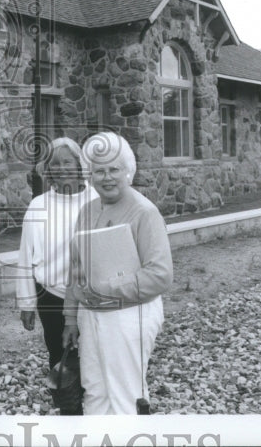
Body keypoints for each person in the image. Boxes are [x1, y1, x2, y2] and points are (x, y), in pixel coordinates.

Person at [62, 131, 173, 415]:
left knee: (126, 398)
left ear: (129, 172)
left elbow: (160, 275)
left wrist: (105, 288)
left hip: (130, 315)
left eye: (114, 169)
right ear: (90, 176)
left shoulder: (144, 212)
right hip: (91, 315)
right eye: (99, 171)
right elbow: (76, 269)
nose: (107, 177)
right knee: (95, 391)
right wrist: (70, 318)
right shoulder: (87, 211)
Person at [16, 136, 97, 414]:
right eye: (54, 164)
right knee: (61, 358)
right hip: (52, 298)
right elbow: (26, 256)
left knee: (95, 359)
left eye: (67, 162)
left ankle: (98, 413)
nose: (61, 168)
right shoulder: (39, 206)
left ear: (79, 165)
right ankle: (70, 415)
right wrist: (26, 303)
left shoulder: (97, 200)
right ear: (47, 170)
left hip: (92, 299)